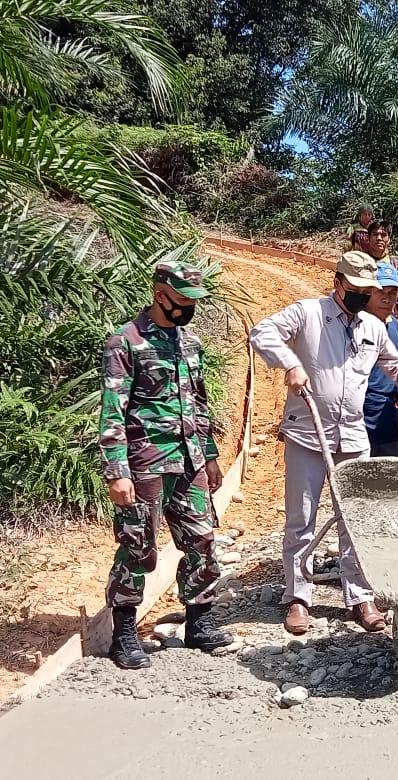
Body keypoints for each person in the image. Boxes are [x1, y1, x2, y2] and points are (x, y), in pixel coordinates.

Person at [249, 251, 398, 635]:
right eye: (354, 289)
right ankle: (299, 596)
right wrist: (290, 364)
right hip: (308, 433)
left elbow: (393, 365)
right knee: (302, 518)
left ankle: (360, 594)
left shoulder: (372, 326)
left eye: (365, 291)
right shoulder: (307, 313)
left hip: (353, 437)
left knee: (355, 518)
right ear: (337, 283)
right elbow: (261, 333)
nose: (361, 296)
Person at [100, 260, 231, 669]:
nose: (189, 307)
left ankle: (199, 623)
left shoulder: (189, 343)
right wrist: (117, 471)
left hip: (189, 460)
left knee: (202, 540)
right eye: (182, 299)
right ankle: (123, 634)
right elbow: (112, 412)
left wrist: (209, 457)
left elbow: (199, 404)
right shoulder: (126, 342)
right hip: (146, 464)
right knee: (139, 547)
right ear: (160, 294)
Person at [364, 262, 398, 457]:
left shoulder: (393, 327)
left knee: (392, 478)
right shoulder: (354, 325)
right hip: (361, 412)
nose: (387, 298)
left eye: (392, 293)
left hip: (386, 413)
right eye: (381, 291)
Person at [366, 219, 398, 345]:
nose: (379, 238)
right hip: (364, 321)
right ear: (368, 238)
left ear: (389, 239)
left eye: (383, 235)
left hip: (388, 320)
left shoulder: (396, 265)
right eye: (375, 234)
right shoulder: (360, 262)